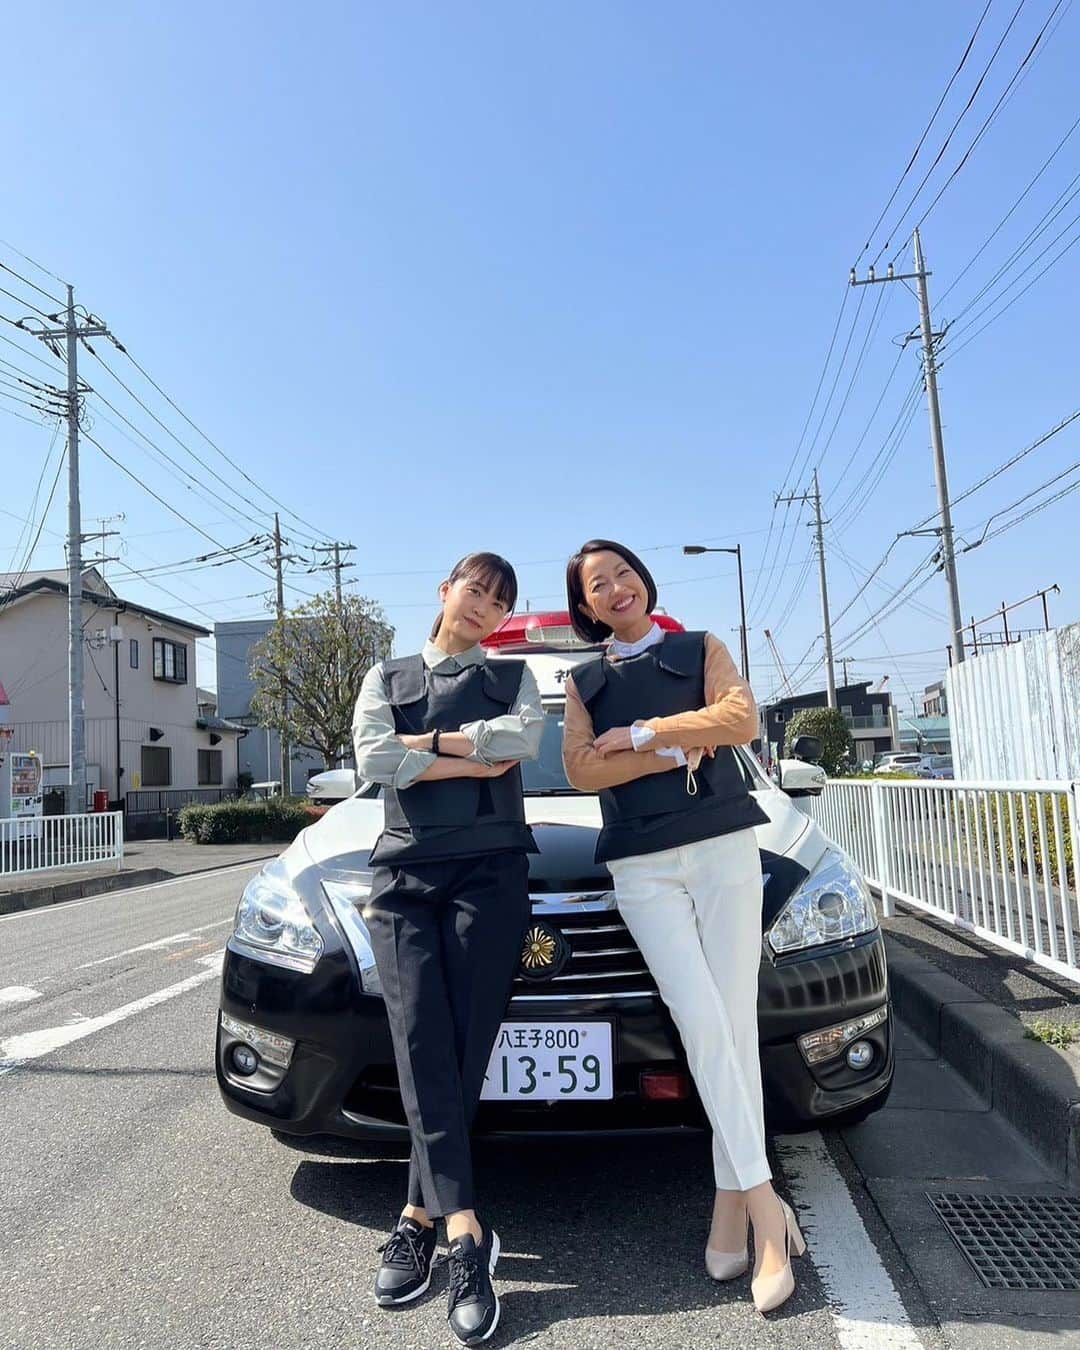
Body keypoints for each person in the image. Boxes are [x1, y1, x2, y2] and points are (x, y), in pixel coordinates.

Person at [560, 539, 806, 1315]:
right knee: (701, 1020)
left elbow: (740, 718)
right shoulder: (583, 679)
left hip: (724, 846)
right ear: (586, 606)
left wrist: (640, 738)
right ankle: (769, 1210)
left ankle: (730, 1206)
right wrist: (681, 746)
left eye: (622, 573)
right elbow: (579, 771)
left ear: (642, 580)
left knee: (729, 1023)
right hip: (642, 865)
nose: (615, 588)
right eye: (598, 585)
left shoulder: (699, 647)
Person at [352, 551, 544, 1346]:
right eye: (476, 590)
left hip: (491, 871)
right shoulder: (383, 678)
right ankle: (466, 1227)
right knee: (417, 1033)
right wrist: (460, 747)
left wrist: (419, 751)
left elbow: (520, 743)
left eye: (499, 602)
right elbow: (372, 761)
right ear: (445, 590)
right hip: (402, 875)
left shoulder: (515, 677)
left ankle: (415, 1215)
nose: (485, 607)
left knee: (461, 1045)